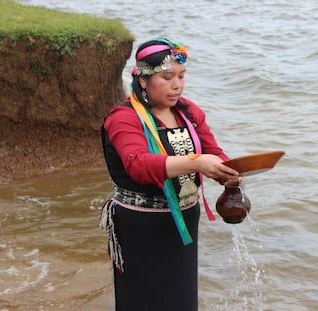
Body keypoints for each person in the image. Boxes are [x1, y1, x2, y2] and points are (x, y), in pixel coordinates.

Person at [100, 38, 239, 311]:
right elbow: (138, 165)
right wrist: (197, 163)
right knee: (143, 300)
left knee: (181, 299)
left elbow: (215, 155)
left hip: (185, 220)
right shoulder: (123, 117)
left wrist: (233, 174)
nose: (177, 85)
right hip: (140, 224)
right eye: (167, 77)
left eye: (182, 76)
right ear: (143, 80)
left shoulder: (189, 112)